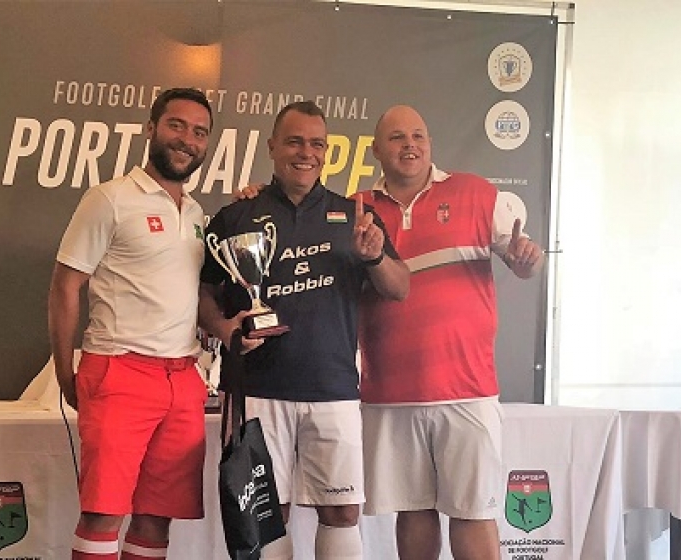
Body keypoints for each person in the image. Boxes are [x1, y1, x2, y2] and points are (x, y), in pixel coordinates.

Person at [199, 100, 410, 560]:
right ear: (272, 146)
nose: (306, 152)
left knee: (342, 512)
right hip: (258, 391)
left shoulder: (354, 215)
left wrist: (374, 256)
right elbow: (204, 295)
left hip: (333, 390)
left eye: (317, 143)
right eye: (294, 141)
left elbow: (399, 287)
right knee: (266, 513)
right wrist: (223, 327)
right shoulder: (237, 216)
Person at [357, 105, 544, 560]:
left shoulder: (476, 193)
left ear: (430, 144)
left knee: (474, 513)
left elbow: (521, 260)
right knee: (413, 513)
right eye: (397, 137)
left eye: (418, 136)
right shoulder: (356, 208)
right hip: (390, 393)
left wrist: (527, 259)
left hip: (467, 390)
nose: (410, 145)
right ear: (376, 149)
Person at [47, 87, 213, 560]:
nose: (187, 140)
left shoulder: (197, 213)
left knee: (156, 518)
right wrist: (65, 371)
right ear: (151, 128)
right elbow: (64, 287)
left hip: (183, 378)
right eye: (176, 125)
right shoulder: (110, 198)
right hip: (119, 370)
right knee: (103, 514)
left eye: (199, 132)